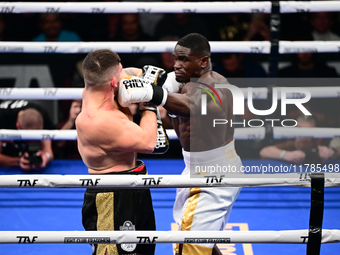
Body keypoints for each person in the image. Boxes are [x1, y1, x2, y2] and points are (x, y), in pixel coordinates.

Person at [118, 33, 242, 255]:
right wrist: (125, 79)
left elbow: (193, 106)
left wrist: (154, 94)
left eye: (184, 59)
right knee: (202, 241)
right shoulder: (178, 79)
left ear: (203, 61)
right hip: (196, 167)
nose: (177, 65)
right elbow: (127, 76)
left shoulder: (217, 84)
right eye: (175, 59)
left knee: (189, 245)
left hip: (214, 170)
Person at [76, 49, 168, 255]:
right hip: (112, 194)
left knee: (143, 250)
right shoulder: (101, 120)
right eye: (119, 74)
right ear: (113, 82)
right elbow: (149, 142)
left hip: (133, 183)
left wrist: (143, 76)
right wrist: (149, 103)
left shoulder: (96, 86)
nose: (124, 74)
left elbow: (128, 72)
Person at [259, 115, 336, 164]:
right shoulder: (290, 145)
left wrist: (331, 152)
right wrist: (285, 155)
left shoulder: (319, 146)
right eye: (300, 130)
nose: (304, 135)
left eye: (308, 131)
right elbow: (264, 151)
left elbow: (337, 149)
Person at [0, 106, 54, 171]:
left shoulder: (42, 116)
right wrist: (17, 161)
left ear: (42, 128)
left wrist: (46, 157)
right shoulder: (3, 118)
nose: (31, 142)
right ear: (18, 126)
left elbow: (48, 151)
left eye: (34, 136)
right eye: (28, 138)